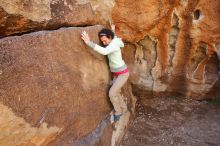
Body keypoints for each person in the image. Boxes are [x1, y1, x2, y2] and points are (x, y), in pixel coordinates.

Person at [81, 28, 129, 122]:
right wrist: (112, 31)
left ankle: (118, 112)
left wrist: (89, 42)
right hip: (117, 73)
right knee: (117, 92)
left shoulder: (114, 44)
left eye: (105, 40)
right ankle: (124, 108)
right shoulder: (114, 40)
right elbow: (113, 39)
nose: (104, 43)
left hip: (123, 74)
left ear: (110, 37)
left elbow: (105, 51)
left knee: (112, 93)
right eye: (102, 42)